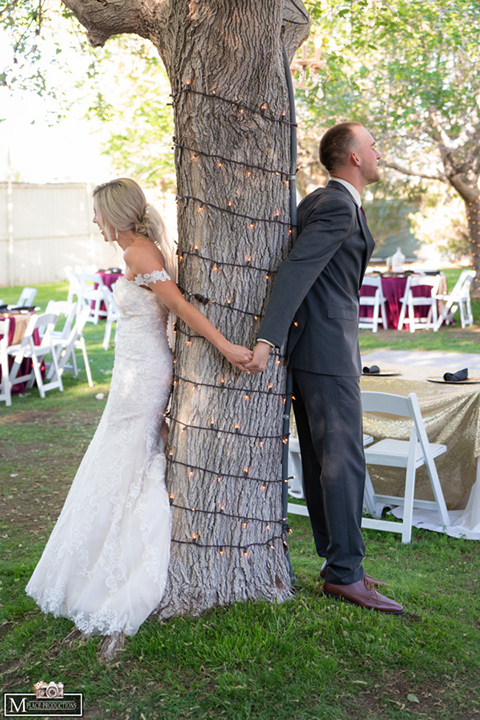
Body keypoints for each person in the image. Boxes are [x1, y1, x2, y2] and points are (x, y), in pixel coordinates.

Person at [26, 178, 253, 647]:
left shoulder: (139, 254)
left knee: (125, 459)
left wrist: (226, 346)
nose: (94, 221)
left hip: (144, 374)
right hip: (132, 371)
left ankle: (120, 565)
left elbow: (179, 307)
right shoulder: (139, 252)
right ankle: (105, 558)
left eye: (97, 213)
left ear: (114, 213)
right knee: (121, 457)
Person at [246, 122, 403, 614]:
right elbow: (297, 269)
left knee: (322, 460)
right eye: (372, 145)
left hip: (318, 346)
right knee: (343, 460)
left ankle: (339, 565)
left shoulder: (317, 201)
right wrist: (268, 338)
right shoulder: (336, 205)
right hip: (327, 350)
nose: (379, 151)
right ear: (353, 158)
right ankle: (345, 573)